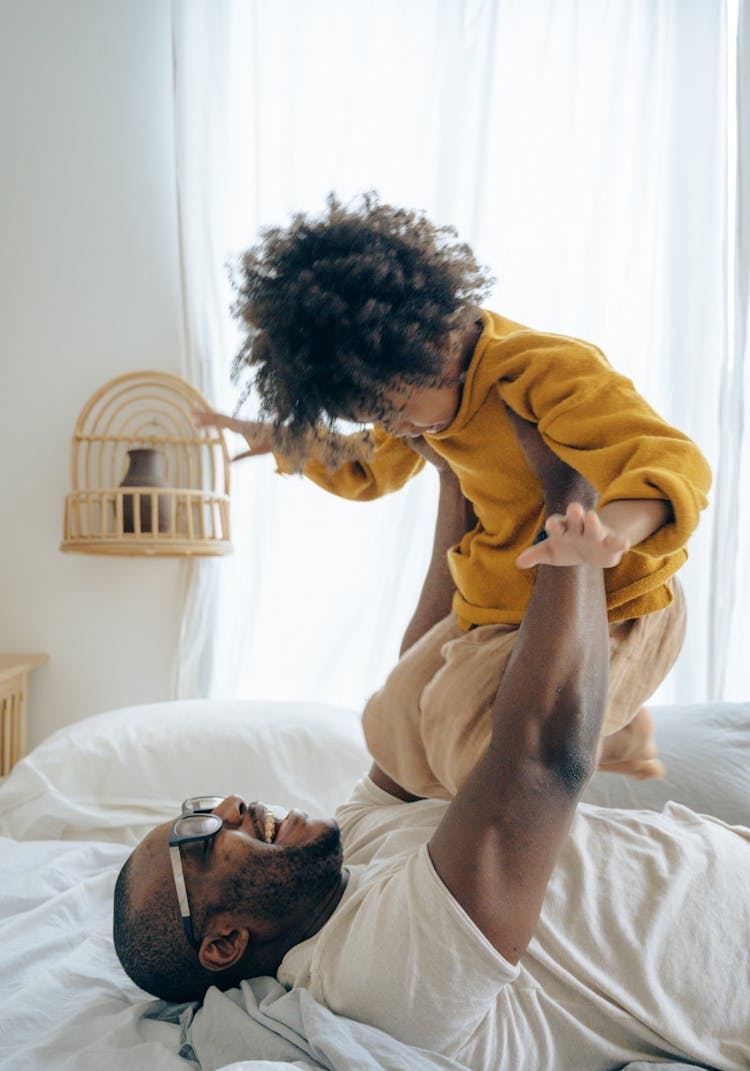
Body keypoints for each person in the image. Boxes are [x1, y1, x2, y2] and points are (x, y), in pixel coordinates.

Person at [113, 418, 749, 1071]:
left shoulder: (344, 851)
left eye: (203, 802)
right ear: (223, 942)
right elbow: (547, 758)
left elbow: (418, 698)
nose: (231, 804)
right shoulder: (376, 972)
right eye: (202, 834)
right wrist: (569, 496)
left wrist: (451, 475)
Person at [194, 192, 712, 798]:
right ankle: (612, 736)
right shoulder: (421, 405)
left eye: (395, 413)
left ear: (436, 344)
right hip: (500, 606)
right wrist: (289, 443)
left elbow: (663, 459)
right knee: (390, 721)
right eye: (380, 419)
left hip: (618, 604)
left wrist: (611, 534)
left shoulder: (541, 370)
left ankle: (607, 734)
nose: (398, 431)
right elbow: (369, 467)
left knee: (481, 754)